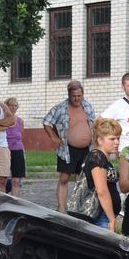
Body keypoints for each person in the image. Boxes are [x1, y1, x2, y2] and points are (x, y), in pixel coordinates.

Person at [42, 81, 95, 212]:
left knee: (82, 179)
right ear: (69, 95)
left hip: (86, 149)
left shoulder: (87, 106)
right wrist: (54, 137)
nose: (77, 98)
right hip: (68, 149)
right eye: (74, 96)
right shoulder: (61, 108)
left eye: (79, 95)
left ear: (82, 94)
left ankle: (80, 207)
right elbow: (46, 121)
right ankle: (62, 207)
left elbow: (94, 123)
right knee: (64, 178)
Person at [82, 118, 122, 232]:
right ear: (100, 140)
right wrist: (111, 219)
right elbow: (102, 191)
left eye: (118, 138)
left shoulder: (103, 158)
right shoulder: (97, 158)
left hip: (104, 215)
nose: (117, 142)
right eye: (112, 139)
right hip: (99, 216)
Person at [5, 97, 25, 197]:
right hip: (5, 152)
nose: (13, 107)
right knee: (3, 179)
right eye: (11, 105)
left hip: (18, 151)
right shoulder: (2, 120)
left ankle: (15, 203)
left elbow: (20, 136)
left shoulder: (20, 121)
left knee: (16, 180)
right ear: (6, 106)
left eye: (15, 106)